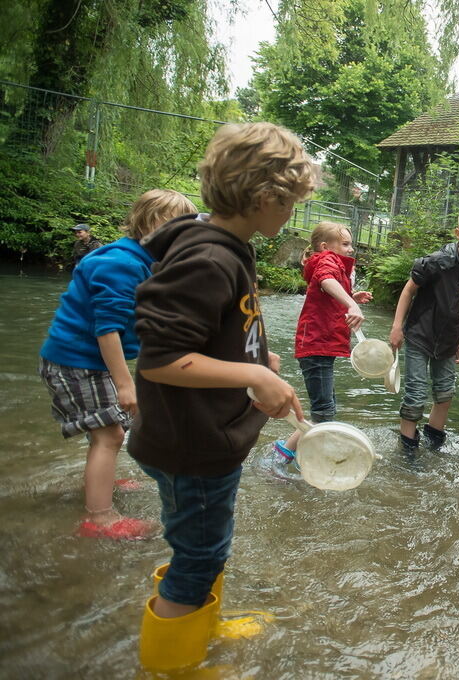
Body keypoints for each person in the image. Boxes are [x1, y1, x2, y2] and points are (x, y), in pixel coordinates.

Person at [127, 122, 316, 672]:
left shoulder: (229, 249)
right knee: (198, 554)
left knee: (204, 545)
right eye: (291, 204)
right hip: (193, 443)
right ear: (264, 198)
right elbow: (162, 359)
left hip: (203, 435)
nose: (293, 216)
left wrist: (258, 362)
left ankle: (199, 628)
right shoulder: (209, 258)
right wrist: (251, 378)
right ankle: (173, 665)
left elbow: (211, 335)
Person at [39, 190, 196, 540]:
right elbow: (106, 328)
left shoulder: (143, 263)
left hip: (90, 361)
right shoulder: (120, 264)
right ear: (151, 224)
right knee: (109, 433)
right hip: (76, 362)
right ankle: (100, 517)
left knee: (111, 430)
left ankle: (104, 477)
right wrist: (125, 384)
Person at [389, 208, 459, 452]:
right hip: (419, 335)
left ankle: (434, 442)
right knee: (415, 393)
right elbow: (408, 290)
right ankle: (408, 448)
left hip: (449, 341)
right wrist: (397, 327)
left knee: (445, 393)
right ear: (458, 233)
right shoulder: (436, 262)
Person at [272, 221, 372, 466]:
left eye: (352, 244)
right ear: (326, 246)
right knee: (323, 413)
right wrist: (351, 304)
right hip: (316, 345)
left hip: (320, 346)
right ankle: (280, 458)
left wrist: (351, 296)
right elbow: (327, 281)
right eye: (346, 244)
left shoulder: (333, 264)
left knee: (325, 411)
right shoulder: (327, 260)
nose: (351, 249)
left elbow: (328, 290)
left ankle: (297, 456)